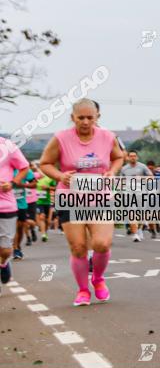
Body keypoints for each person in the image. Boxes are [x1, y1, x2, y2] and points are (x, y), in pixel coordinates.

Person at [39, 98, 124, 306]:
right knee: (78, 247)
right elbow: (45, 163)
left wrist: (112, 172)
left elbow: (118, 157)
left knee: (101, 244)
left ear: (97, 117)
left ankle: (98, 279)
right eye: (80, 118)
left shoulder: (107, 136)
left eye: (90, 117)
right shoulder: (60, 138)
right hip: (70, 198)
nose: (85, 122)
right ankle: (83, 289)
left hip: (100, 198)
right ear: (72, 118)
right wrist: (60, 176)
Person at [0, 138, 30, 293]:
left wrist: (12, 183)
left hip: (5, 205)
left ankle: (4, 263)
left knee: (5, 250)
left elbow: (24, 167)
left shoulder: (8, 146)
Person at [119, 151, 153, 242]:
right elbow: (120, 182)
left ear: (137, 157)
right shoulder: (124, 169)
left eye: (134, 156)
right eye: (131, 156)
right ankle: (136, 234)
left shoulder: (142, 167)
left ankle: (140, 229)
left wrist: (142, 178)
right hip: (129, 194)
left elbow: (151, 177)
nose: (133, 157)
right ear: (128, 158)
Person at [34, 166, 56, 242]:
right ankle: (43, 234)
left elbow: (56, 188)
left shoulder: (49, 179)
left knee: (48, 221)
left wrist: (48, 187)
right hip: (39, 202)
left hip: (48, 202)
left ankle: (45, 232)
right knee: (42, 217)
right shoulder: (35, 179)